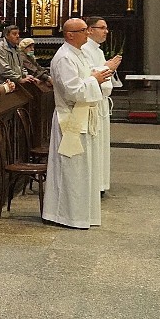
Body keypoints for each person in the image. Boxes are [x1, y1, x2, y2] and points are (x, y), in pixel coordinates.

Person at [42, 18, 113, 229]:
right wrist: (95, 80)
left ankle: (82, 214)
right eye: (83, 31)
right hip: (70, 118)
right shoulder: (64, 57)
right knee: (71, 169)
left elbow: (86, 78)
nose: (87, 34)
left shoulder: (78, 53)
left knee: (82, 169)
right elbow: (72, 91)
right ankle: (65, 215)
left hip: (81, 116)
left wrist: (95, 76)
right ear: (69, 34)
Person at [84, 17, 122, 195]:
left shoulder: (97, 50)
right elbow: (88, 75)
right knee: (96, 144)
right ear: (90, 30)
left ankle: (100, 183)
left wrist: (108, 67)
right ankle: (95, 184)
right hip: (93, 103)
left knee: (102, 144)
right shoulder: (84, 49)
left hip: (101, 102)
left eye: (106, 28)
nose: (106, 31)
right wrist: (107, 67)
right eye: (102, 28)